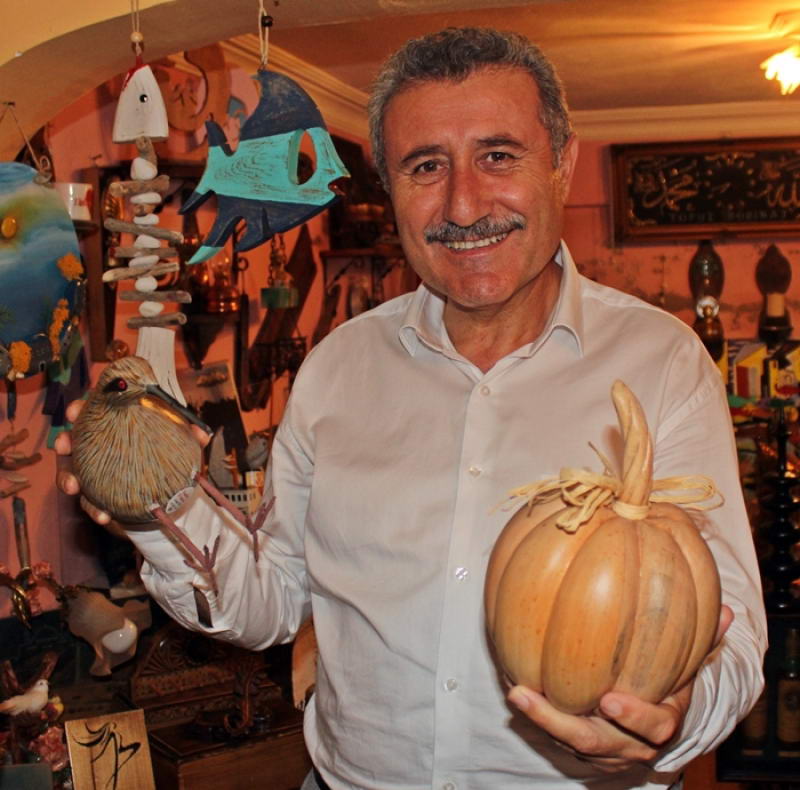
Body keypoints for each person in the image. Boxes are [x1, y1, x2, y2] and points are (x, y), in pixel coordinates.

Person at [58, 26, 766, 790]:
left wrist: (673, 720)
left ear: (562, 164)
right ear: (388, 187)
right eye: (426, 166)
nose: (463, 204)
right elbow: (270, 601)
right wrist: (153, 507)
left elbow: (729, 634)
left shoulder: (662, 364)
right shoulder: (336, 370)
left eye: (498, 156)